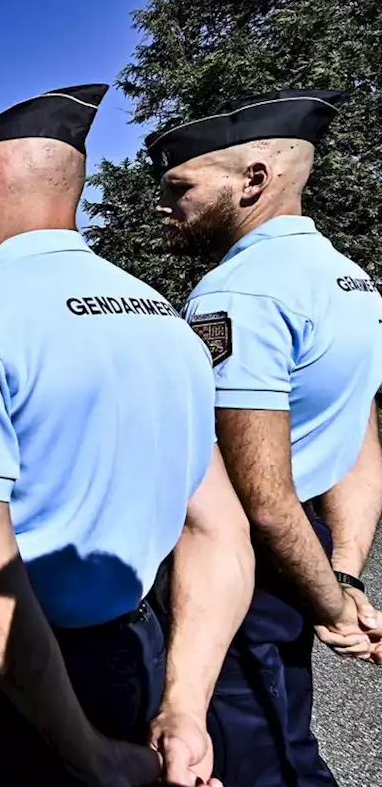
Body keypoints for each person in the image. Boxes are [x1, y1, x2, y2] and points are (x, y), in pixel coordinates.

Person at [0, 85, 253, 787]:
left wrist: (87, 756)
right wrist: (185, 708)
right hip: (134, 651)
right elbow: (218, 529)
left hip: (11, 679)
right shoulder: (165, 321)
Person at [149, 88, 382, 786]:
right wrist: (340, 571)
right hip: (299, 558)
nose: (163, 206)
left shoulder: (241, 292)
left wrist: (334, 608)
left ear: (254, 180)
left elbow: (262, 499)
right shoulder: (350, 282)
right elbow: (358, 436)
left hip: (244, 569)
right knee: (285, 731)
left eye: (178, 187)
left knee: (247, 755)